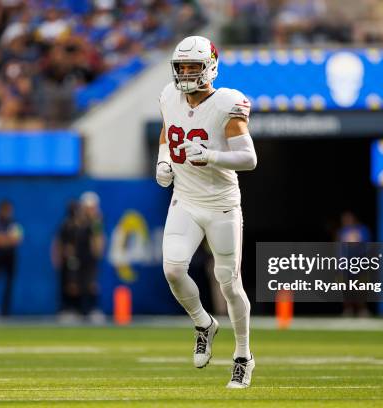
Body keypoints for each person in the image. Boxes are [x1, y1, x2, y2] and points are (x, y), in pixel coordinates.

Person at [155, 36, 257, 388]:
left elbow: (249, 159)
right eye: (181, 67)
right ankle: (203, 323)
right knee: (172, 269)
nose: (185, 74)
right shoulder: (169, 96)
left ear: (210, 67)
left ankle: (243, 356)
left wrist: (211, 155)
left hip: (221, 204)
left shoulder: (227, 103)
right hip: (185, 198)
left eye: (192, 67)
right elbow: (169, 132)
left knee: (229, 283)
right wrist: (164, 161)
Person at [76, 191, 105, 322]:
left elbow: (98, 243)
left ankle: (92, 309)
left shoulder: (96, 223)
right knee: (76, 283)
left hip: (90, 258)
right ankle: (77, 310)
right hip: (78, 257)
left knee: (92, 284)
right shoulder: (77, 222)